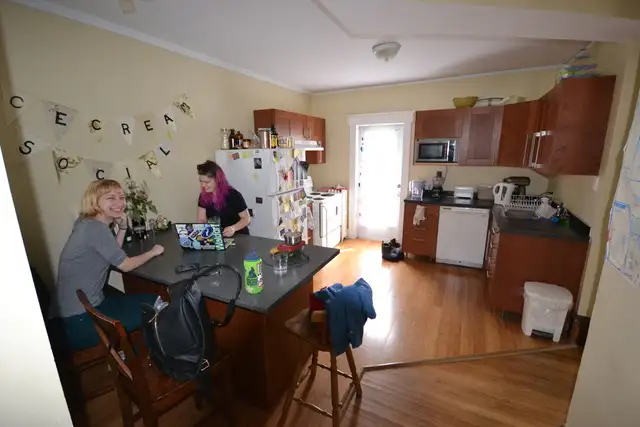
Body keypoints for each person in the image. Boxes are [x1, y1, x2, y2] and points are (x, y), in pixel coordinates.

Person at [50, 179, 164, 352]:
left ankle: (136, 350)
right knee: (157, 302)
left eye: (121, 197)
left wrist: (123, 229)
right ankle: (158, 354)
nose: (119, 203)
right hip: (80, 321)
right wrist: (153, 252)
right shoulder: (96, 229)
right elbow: (125, 265)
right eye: (111, 198)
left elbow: (110, 253)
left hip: (69, 315)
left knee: (133, 298)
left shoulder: (86, 223)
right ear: (95, 202)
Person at [196, 160, 251, 236]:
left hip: (239, 236)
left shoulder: (233, 195)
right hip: (217, 236)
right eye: (201, 181)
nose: (203, 185)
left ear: (218, 180)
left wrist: (233, 228)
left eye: (207, 182)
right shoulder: (203, 196)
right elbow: (201, 219)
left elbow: (246, 219)